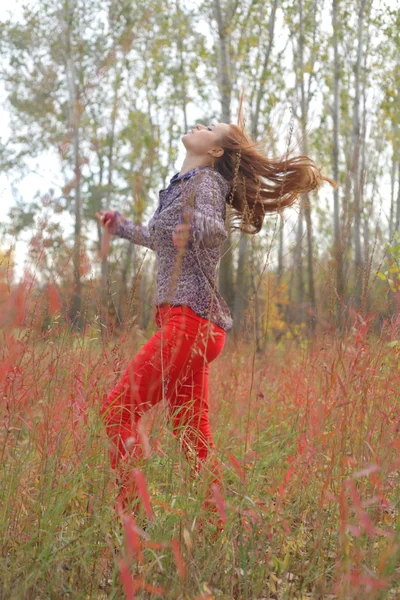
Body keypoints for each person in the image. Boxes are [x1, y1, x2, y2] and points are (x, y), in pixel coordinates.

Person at [95, 120, 336, 533]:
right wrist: (120, 228)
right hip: (195, 324)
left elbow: (214, 228)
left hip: (190, 322)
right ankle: (215, 525)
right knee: (191, 434)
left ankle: (132, 519)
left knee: (117, 411)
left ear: (217, 151)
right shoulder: (182, 182)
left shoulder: (204, 182)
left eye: (211, 126)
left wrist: (196, 228)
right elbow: (160, 238)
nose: (200, 124)